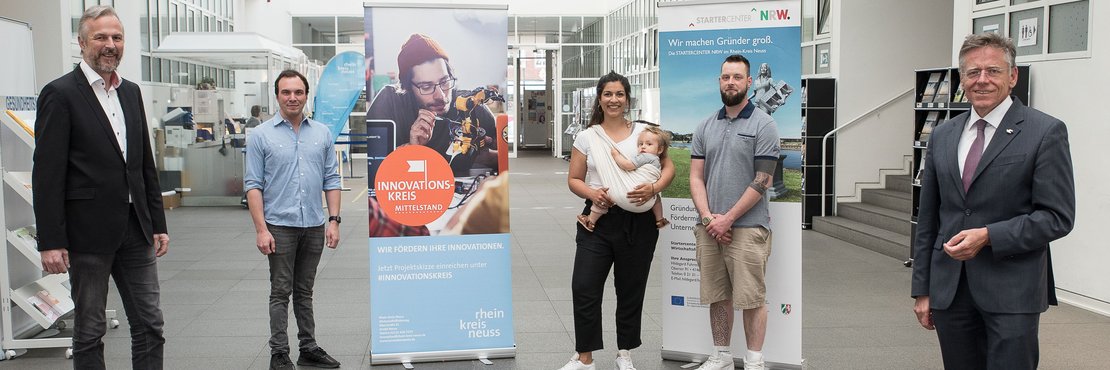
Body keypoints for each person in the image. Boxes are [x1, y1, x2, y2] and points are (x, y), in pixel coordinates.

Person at [911, 33, 1075, 370]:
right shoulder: (943, 135)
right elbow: (928, 218)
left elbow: (1057, 216)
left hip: (1013, 291)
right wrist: (923, 289)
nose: (982, 80)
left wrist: (988, 236)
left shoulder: (1045, 132)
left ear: (1013, 76)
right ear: (962, 79)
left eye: (993, 71)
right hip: (950, 292)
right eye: (973, 73)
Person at [32, 5, 170, 369]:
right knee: (90, 330)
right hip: (86, 233)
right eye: (101, 37)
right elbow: (47, 173)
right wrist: (50, 240)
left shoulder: (131, 92)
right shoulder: (59, 94)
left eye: (117, 37)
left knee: (150, 324)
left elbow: (143, 164)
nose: (110, 45)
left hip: (135, 229)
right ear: (81, 42)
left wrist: (157, 222)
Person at [559, 71, 676, 370]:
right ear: (599, 98)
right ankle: (584, 357)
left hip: (639, 224)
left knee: (630, 288)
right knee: (583, 285)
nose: (614, 100)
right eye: (608, 94)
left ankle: (624, 353)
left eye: (619, 94)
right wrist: (593, 194)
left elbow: (669, 168)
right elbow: (574, 179)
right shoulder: (587, 136)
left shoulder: (644, 132)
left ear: (627, 99)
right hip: (598, 220)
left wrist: (654, 188)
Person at [244, 70, 343, 370]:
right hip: (279, 226)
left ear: (306, 95)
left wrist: (334, 220)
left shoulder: (322, 133)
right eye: (286, 92)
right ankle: (279, 352)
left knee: (304, 290)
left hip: (313, 224)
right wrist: (261, 229)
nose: (292, 97)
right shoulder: (261, 135)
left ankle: (308, 347)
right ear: (277, 96)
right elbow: (253, 185)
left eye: (298, 92)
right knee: (280, 290)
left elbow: (331, 178)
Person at [690, 54, 780, 370]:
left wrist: (728, 218)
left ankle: (754, 361)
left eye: (737, 77)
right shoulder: (705, 125)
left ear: (749, 82)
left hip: (747, 228)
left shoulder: (764, 124)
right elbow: (695, 177)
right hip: (709, 225)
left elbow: (763, 180)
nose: (731, 82)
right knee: (718, 295)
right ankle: (722, 356)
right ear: (719, 81)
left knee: (752, 298)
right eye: (726, 77)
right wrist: (708, 218)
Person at [366, 33, 499, 177]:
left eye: (444, 81)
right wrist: (411, 149)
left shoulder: (471, 106)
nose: (440, 96)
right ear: (407, 88)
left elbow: (502, 161)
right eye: (426, 86)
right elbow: (375, 170)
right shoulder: (390, 103)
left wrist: (488, 157)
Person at [576, 125, 671, 232]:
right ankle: (660, 219)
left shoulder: (645, 156)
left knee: (605, 196)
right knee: (656, 197)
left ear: (660, 149)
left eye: (648, 144)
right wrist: (654, 189)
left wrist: (616, 155)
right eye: (640, 144)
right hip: (647, 201)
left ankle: (591, 221)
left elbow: (627, 165)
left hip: (629, 194)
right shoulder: (656, 160)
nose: (643, 147)